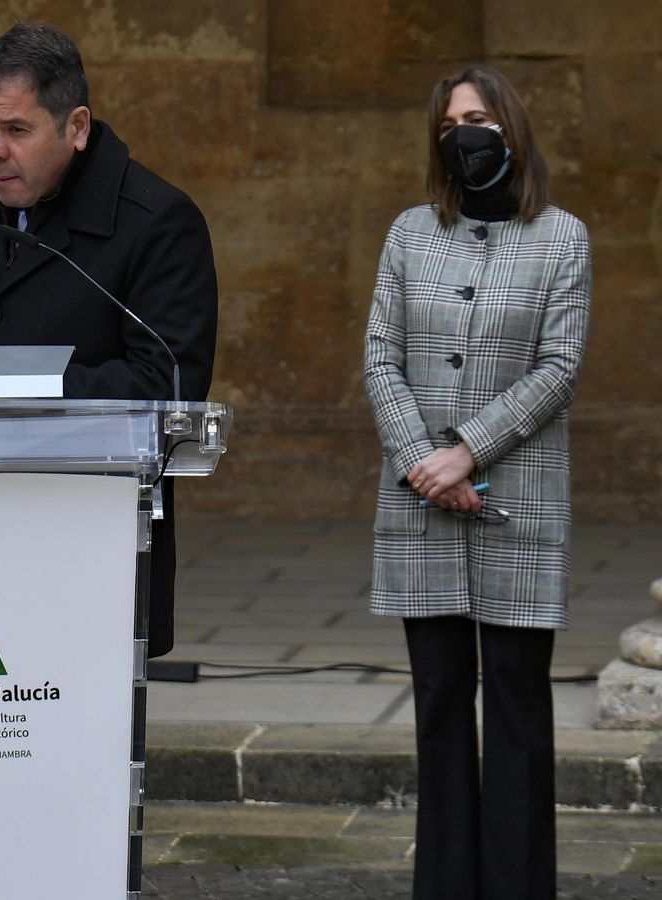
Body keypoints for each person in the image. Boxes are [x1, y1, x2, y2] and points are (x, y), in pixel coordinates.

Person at [0, 22, 218, 658]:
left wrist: (6, 383)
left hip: (91, 531)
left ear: (76, 127)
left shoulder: (158, 222)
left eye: (16, 130)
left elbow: (169, 389)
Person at [363, 64, 589, 900]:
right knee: (440, 710)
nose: (468, 132)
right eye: (454, 120)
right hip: (421, 503)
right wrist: (425, 460)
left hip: (517, 505)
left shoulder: (562, 237)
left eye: (483, 118)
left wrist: (468, 448)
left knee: (522, 717)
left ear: (513, 130)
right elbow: (380, 356)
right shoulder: (408, 234)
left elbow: (559, 367)